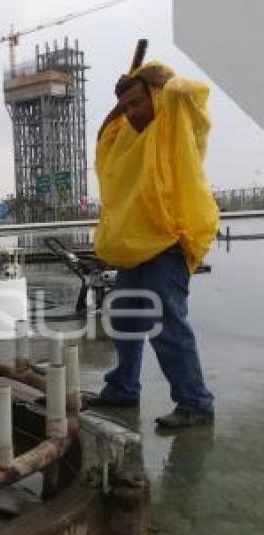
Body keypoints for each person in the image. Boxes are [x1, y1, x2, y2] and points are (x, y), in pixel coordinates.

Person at [91, 61, 218, 429]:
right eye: (127, 107)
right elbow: (106, 137)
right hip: (134, 245)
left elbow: (187, 92)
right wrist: (120, 104)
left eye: (138, 103)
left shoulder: (178, 120)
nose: (132, 113)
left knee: (168, 326)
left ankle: (195, 402)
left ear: (156, 95)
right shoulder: (130, 132)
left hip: (168, 242)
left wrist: (157, 76)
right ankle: (123, 387)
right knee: (125, 319)